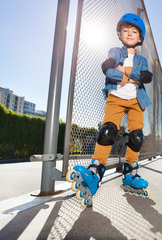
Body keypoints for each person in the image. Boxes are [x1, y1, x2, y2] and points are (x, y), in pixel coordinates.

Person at [66, 13, 152, 207]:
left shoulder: (142, 60)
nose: (129, 34)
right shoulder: (114, 51)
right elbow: (107, 68)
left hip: (137, 101)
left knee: (137, 136)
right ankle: (96, 170)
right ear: (119, 34)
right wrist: (128, 74)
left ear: (140, 38)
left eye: (134, 32)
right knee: (108, 130)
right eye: (125, 31)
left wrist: (124, 71)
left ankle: (131, 172)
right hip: (116, 98)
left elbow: (147, 77)